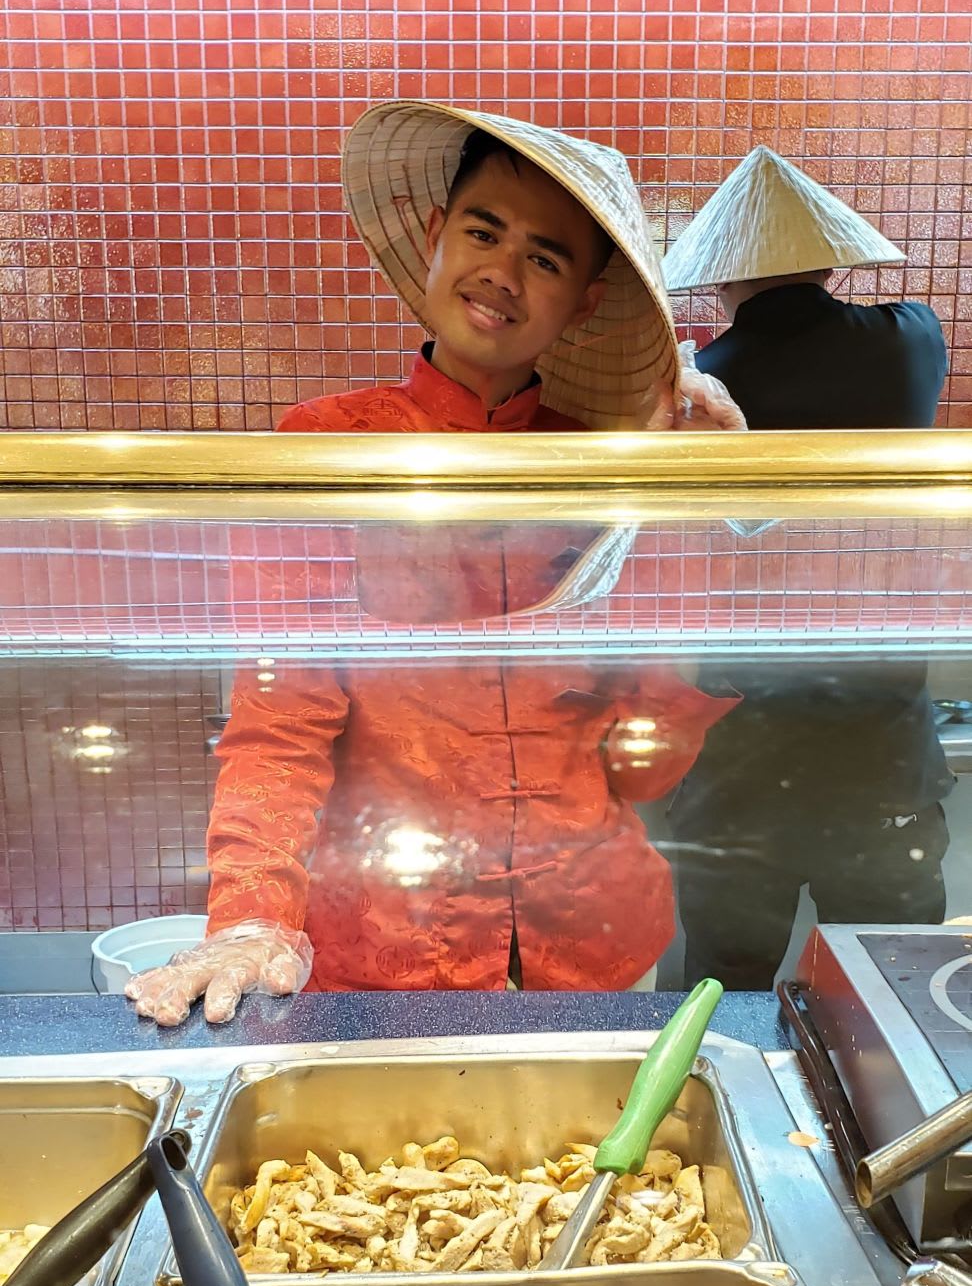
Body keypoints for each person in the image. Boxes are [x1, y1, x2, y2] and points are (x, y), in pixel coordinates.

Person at [128, 103, 746, 1026]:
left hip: (597, 944)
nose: (503, 272)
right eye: (483, 232)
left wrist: (685, 505)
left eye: (546, 259)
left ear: (584, 302)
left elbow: (646, 766)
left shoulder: (597, 469)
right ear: (434, 237)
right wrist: (252, 916)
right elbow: (279, 725)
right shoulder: (325, 449)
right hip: (381, 949)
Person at [662, 144, 952, 993]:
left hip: (740, 752)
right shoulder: (912, 342)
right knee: (892, 991)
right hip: (881, 750)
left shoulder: (704, 384)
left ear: (722, 275)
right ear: (830, 259)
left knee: (722, 989)